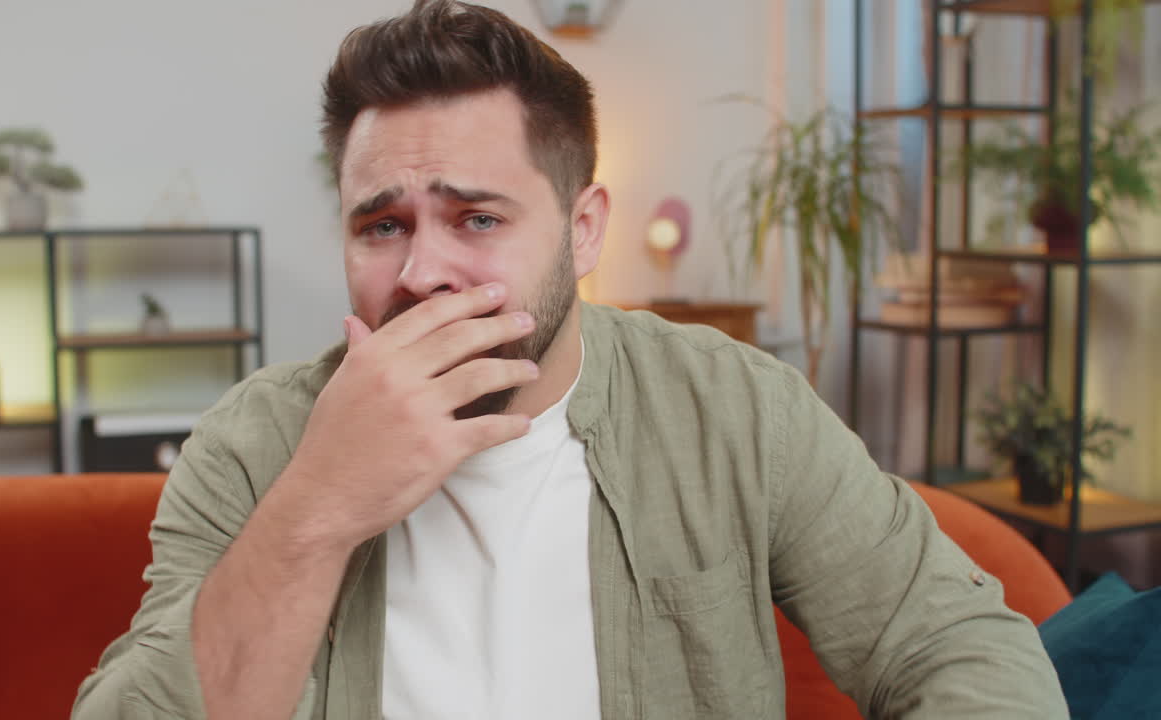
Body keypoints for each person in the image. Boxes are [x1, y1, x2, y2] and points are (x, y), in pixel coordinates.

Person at [73, 2, 1067, 718]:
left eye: (476, 217)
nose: (421, 272)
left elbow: (957, 648)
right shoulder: (254, 446)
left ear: (583, 230)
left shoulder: (730, 408)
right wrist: (321, 503)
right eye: (380, 226)